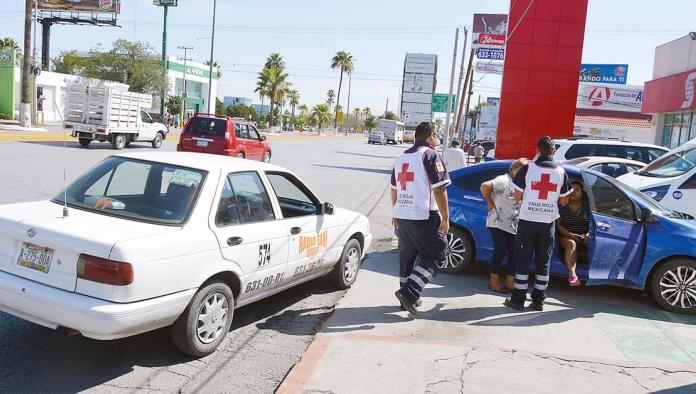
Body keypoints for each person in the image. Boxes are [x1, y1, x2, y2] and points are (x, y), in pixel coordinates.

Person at [505, 136, 572, 312]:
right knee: (544, 262)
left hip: (527, 221)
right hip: (547, 223)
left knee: (522, 260)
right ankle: (538, 301)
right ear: (553, 151)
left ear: (537, 150)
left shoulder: (528, 168)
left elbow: (517, 195)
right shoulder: (561, 172)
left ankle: (518, 300)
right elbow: (564, 202)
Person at [391, 121, 450, 315]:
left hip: (403, 214)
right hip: (423, 215)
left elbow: (394, 189)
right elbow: (440, 189)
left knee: (407, 257)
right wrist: (445, 218)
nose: (438, 139)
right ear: (431, 135)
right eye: (437, 135)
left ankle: (405, 299)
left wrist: (395, 213)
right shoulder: (431, 155)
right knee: (438, 254)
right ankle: (410, 293)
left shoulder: (401, 157)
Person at [480, 158, 528, 293]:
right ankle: (493, 283)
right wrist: (489, 201)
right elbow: (484, 186)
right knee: (500, 251)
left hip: (514, 225)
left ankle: (509, 284)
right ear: (513, 169)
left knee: (515, 254)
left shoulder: (523, 183)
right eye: (521, 169)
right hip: (498, 223)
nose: (523, 172)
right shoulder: (504, 180)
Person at [556, 181, 590, 287]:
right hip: (566, 236)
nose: (573, 192)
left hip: (583, 237)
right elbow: (558, 225)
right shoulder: (563, 205)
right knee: (571, 244)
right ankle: (572, 275)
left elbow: (593, 224)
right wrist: (571, 235)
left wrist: (587, 235)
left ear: (582, 194)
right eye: (571, 189)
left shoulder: (586, 207)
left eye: (577, 190)